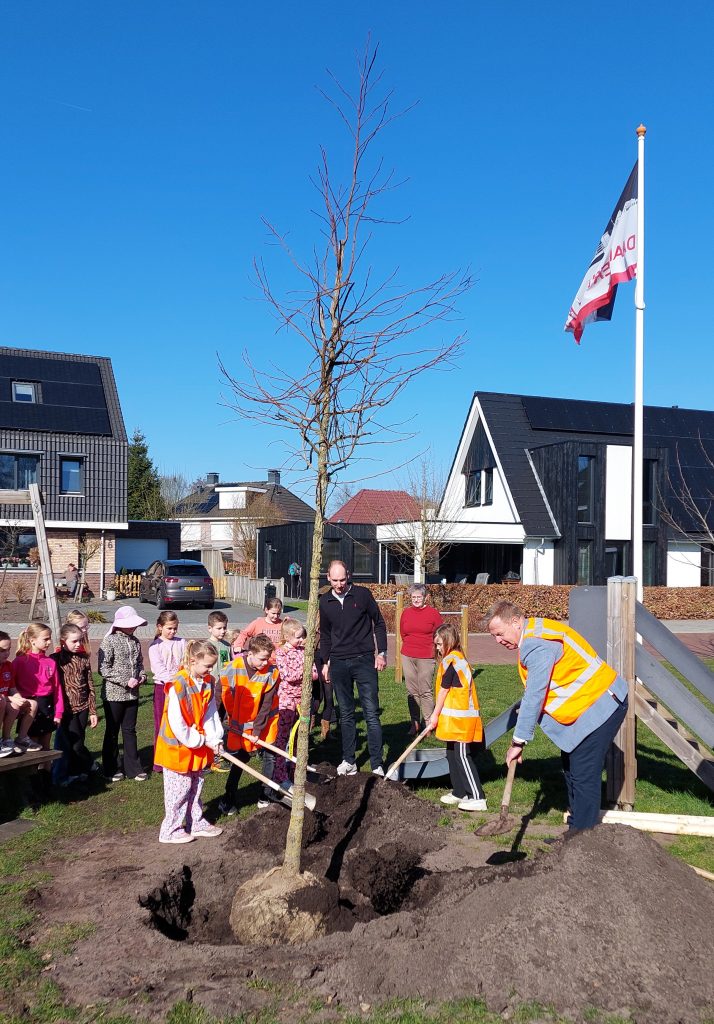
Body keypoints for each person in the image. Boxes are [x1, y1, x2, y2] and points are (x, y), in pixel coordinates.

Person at [483, 600, 629, 831]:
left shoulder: (536, 645)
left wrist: (518, 741)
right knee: (572, 767)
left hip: (602, 705)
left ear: (516, 622)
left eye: (500, 634)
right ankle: (575, 829)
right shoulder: (534, 631)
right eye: (494, 636)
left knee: (583, 774)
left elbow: (535, 694)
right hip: (586, 705)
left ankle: (582, 842)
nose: (498, 641)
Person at [318, 560, 387, 776]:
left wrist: (381, 653)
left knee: (371, 713)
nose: (339, 584)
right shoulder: (325, 601)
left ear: (348, 575)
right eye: (335, 580)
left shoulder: (362, 595)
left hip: (364, 660)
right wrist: (326, 662)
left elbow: (379, 623)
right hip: (338, 663)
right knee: (346, 714)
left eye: (343, 579)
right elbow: (326, 635)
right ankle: (349, 761)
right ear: (328, 578)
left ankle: (376, 763)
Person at [154, 639, 224, 844]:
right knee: (179, 790)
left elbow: (210, 712)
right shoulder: (179, 684)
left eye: (212, 666)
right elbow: (177, 722)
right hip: (178, 746)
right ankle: (170, 829)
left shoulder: (208, 681)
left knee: (196, 784)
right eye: (207, 666)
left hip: (197, 745)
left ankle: (196, 821)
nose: (210, 670)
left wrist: (214, 737)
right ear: (193, 661)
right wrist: (198, 739)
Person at [426, 622, 486, 811]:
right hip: (453, 719)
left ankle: (477, 797)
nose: (437, 648)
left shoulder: (454, 661)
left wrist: (433, 716)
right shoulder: (451, 660)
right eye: (435, 644)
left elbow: (444, 691)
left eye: (439, 644)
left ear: (449, 641)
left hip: (462, 720)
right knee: (451, 754)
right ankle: (459, 792)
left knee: (462, 756)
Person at [219, 633, 279, 816]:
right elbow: (219, 695)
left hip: (265, 721)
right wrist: (216, 724)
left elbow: (266, 704)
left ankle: (265, 795)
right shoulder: (233, 668)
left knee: (270, 756)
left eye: (268, 658)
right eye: (262, 659)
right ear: (250, 653)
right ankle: (228, 799)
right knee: (240, 759)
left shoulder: (271, 672)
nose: (265, 663)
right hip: (238, 724)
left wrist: (258, 730)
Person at [98, 605, 148, 782]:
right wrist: (124, 680)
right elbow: (103, 669)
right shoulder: (109, 641)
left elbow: (140, 663)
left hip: (132, 695)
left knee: (130, 730)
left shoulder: (135, 641)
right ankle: (111, 768)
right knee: (112, 731)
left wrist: (142, 676)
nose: (133, 627)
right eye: (130, 624)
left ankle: (134, 768)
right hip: (114, 695)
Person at [51, 623, 98, 784]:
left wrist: (93, 711)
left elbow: (90, 685)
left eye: (80, 640)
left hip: (83, 707)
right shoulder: (55, 660)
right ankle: (84, 767)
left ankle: (79, 771)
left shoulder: (83, 659)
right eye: (74, 641)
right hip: (66, 710)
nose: (78, 644)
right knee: (72, 743)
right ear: (63, 641)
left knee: (79, 742)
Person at [13, 622, 63, 763]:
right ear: (32, 640)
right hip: (30, 710)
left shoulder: (50, 662)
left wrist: (58, 713)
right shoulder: (20, 661)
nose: (49, 642)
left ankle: (46, 781)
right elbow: (12, 686)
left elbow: (57, 689)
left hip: (47, 708)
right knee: (33, 750)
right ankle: (33, 782)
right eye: (45, 639)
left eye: (50, 638)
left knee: (46, 748)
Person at [399, 583, 443, 735]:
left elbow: (440, 634)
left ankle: (429, 724)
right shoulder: (406, 613)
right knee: (412, 691)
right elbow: (403, 633)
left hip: (427, 655)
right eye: (413, 597)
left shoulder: (433, 613)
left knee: (425, 690)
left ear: (426, 598)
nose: (416, 600)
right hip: (408, 654)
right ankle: (415, 723)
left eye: (419, 597)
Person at [273, 618, 309, 793]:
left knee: (300, 735)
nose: (301, 640)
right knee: (284, 736)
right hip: (288, 699)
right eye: (298, 638)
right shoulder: (281, 653)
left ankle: (296, 771)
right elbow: (287, 675)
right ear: (287, 637)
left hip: (303, 699)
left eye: (302, 637)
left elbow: (314, 673)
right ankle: (280, 774)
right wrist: (304, 671)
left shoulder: (304, 651)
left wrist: (308, 671)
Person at [148, 612, 186, 773]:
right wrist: (172, 684)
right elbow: (159, 669)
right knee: (162, 725)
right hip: (162, 689)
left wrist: (180, 682)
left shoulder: (182, 642)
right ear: (160, 627)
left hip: (181, 688)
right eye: (169, 628)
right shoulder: (155, 646)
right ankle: (160, 762)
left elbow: (186, 662)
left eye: (175, 629)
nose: (172, 632)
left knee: (180, 723)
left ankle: (178, 757)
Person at [0, 630, 38, 757]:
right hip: (2, 701)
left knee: (32, 704)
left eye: (8, 649)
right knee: (7, 703)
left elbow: (12, 688)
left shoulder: (8, 666)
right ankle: (4, 740)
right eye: (2, 650)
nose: (7, 653)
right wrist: (12, 699)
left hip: (6, 699)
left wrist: (19, 698)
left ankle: (19, 738)